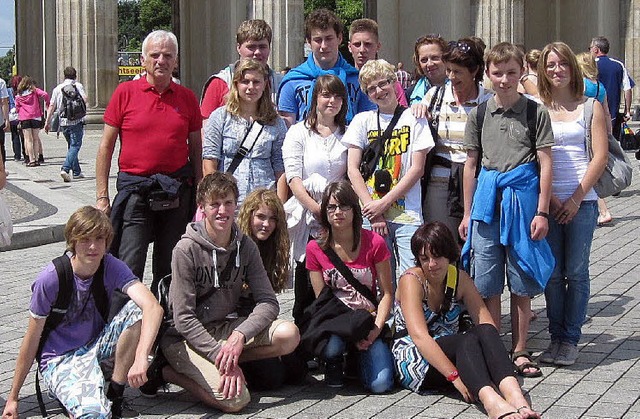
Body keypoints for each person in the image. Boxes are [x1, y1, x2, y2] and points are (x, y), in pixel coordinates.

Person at [156, 172, 299, 412]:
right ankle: (165, 372)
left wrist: (240, 335)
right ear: (202, 208)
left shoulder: (245, 246)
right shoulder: (186, 249)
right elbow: (183, 318)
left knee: (289, 334)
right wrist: (217, 353)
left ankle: (225, 361)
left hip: (224, 328)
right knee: (236, 401)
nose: (222, 211)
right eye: (215, 204)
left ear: (236, 205)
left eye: (228, 203)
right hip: (186, 337)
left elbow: (268, 302)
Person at [1, 206, 163, 418]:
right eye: (85, 239)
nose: (93, 247)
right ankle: (74, 393)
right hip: (60, 359)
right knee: (93, 413)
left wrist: (142, 356)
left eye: (99, 239)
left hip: (95, 347)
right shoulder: (51, 278)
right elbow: (31, 340)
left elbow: (153, 307)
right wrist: (13, 398)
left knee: (136, 310)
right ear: (73, 241)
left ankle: (115, 393)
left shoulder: (110, 265)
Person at [459, 42, 555, 379]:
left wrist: (542, 212)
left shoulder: (534, 112)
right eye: (497, 73)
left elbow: (545, 163)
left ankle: (520, 349)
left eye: (511, 73)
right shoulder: (480, 114)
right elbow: (470, 166)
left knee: (521, 279)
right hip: (487, 207)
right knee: (487, 283)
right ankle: (495, 346)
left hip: (522, 206)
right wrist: (468, 214)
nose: (504, 79)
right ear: (487, 74)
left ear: (521, 73)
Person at [393, 222, 541, 419]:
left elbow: (486, 324)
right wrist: (454, 377)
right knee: (466, 339)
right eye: (424, 258)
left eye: (437, 256)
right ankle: (492, 403)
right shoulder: (411, 280)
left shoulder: (459, 278)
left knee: (485, 331)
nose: (431, 264)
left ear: (449, 254)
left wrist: (492, 356)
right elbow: (420, 337)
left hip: (453, 347)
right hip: (416, 357)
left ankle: (515, 396)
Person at [96, 30, 203, 290]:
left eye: (167, 55)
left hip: (176, 191)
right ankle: (124, 323)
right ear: (143, 60)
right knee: (128, 262)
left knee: (170, 265)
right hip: (136, 191)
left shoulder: (187, 97)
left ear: (176, 61)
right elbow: (106, 147)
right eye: (154, 55)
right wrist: (102, 196)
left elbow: (196, 147)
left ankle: (165, 323)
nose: (161, 61)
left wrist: (200, 189)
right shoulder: (125, 92)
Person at [537, 42, 608, 366]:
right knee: (552, 274)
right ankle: (555, 337)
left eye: (562, 64)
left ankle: (570, 339)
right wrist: (550, 200)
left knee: (576, 272)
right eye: (550, 65)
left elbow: (600, 155)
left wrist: (576, 198)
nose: (556, 70)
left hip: (583, 201)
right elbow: (533, 157)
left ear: (573, 68)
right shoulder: (538, 107)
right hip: (549, 201)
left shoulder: (590, 105)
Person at [343, 59, 434, 286]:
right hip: (370, 213)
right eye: (371, 88)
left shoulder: (414, 118)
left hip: (406, 213)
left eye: (383, 84)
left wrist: (384, 203)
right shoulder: (361, 121)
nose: (379, 91)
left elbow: (417, 169)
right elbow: (353, 169)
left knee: (410, 275)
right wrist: (374, 210)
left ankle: (406, 320)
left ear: (394, 83)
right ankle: (385, 320)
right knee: (379, 276)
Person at [306, 181, 394, 392]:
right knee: (333, 345)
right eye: (332, 207)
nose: (338, 213)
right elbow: (323, 301)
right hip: (337, 320)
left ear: (355, 210)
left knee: (381, 385)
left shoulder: (374, 243)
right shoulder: (315, 248)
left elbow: (388, 294)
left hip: (368, 319)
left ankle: (357, 359)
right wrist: (348, 333)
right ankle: (335, 359)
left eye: (344, 206)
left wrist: (375, 329)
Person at [282, 74, 349, 324]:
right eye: (325, 95)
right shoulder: (299, 132)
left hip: (340, 215)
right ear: (315, 99)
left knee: (338, 283)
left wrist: (335, 212)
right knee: (306, 287)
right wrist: (319, 211)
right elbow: (293, 178)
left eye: (337, 96)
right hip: (309, 215)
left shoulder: (348, 133)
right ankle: (302, 347)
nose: (331, 101)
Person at [415, 37, 493, 239]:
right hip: (440, 180)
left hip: (478, 179)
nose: (451, 77)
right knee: (442, 241)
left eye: (457, 72)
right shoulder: (435, 96)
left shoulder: (488, 101)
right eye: (449, 70)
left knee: (476, 243)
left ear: (474, 71)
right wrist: (417, 109)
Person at [202, 58, 286, 206]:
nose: (251, 87)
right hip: (229, 202)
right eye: (245, 81)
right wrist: (215, 201)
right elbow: (209, 161)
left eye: (256, 82)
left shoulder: (276, 122)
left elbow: (280, 169)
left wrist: (280, 208)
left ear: (265, 84)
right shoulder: (219, 117)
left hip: (264, 203)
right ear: (236, 84)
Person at [277, 8, 374, 126]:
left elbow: (369, 124)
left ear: (339, 38)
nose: (324, 46)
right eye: (318, 40)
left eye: (329, 38)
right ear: (308, 41)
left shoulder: (358, 80)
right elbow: (287, 129)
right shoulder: (292, 81)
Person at [200, 19, 282, 125]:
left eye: (262, 47)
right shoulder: (219, 83)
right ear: (238, 48)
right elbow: (205, 127)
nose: (257, 52)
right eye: (251, 47)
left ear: (269, 48)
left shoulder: (281, 84)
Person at [576, 51, 614, 226]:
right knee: (594, 170)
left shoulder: (581, 85)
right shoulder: (599, 86)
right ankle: (602, 209)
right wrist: (609, 133)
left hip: (584, 131)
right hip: (599, 131)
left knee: (587, 171)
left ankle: (603, 210)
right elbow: (606, 112)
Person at [347, 18, 407, 106]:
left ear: (378, 46)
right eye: (357, 44)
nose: (362, 50)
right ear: (349, 47)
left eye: (368, 44)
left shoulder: (391, 83)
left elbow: (403, 114)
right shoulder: (344, 80)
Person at [44, 66, 88, 182]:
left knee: (71, 146)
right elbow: (85, 99)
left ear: (64, 76)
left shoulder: (58, 88)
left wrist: (47, 122)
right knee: (75, 146)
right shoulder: (78, 86)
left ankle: (77, 172)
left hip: (63, 122)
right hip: (76, 121)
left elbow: (52, 106)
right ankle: (66, 168)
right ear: (75, 75)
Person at [589, 36, 635, 139]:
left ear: (596, 49)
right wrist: (627, 111)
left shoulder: (590, 65)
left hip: (593, 110)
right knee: (611, 142)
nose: (590, 51)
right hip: (612, 112)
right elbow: (627, 88)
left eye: (590, 48)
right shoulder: (618, 64)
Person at [14, 76, 49, 167]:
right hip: (36, 116)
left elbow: (17, 108)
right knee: (36, 139)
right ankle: (37, 159)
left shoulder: (19, 96)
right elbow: (45, 94)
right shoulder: (34, 91)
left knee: (28, 140)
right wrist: (47, 104)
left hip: (24, 118)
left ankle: (31, 159)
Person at [406, 35, 449, 105]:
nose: (429, 64)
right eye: (424, 60)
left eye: (435, 58)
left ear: (446, 58)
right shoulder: (409, 94)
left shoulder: (461, 89)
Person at [7, 75, 24, 162]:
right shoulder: (23, 91)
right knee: (24, 135)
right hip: (23, 114)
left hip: (12, 115)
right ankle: (26, 154)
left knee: (14, 135)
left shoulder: (9, 91)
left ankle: (17, 155)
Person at [0, 75, 9, 164]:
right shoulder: (1, 82)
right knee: (1, 145)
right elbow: (4, 102)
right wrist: (6, 119)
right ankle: (1, 171)